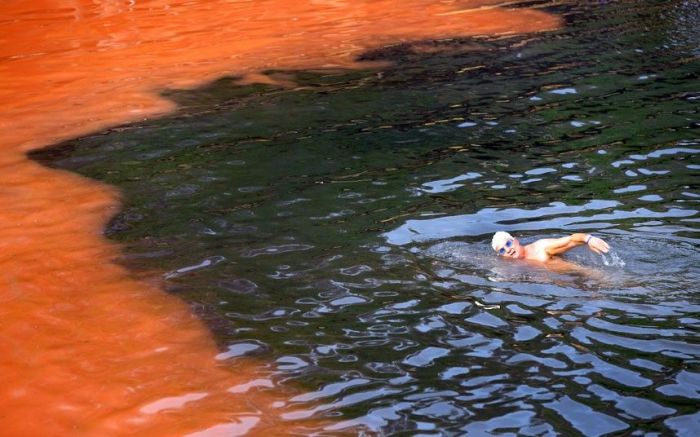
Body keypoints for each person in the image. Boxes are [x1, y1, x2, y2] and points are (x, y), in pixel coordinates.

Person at [491, 231, 609, 262]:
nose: (508, 250)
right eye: (502, 250)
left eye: (508, 244)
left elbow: (571, 240)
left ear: (516, 241)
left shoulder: (541, 248)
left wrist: (588, 239)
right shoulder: (510, 265)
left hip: (585, 277)